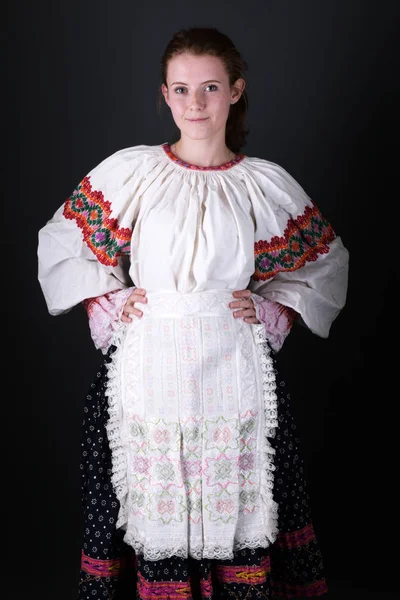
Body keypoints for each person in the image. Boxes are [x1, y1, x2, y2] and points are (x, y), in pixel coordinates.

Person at [37, 26, 349, 600]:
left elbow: (326, 265)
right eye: (181, 90)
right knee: (141, 507)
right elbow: (62, 242)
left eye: (209, 87)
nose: (196, 103)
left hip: (233, 370)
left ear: (235, 91)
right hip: (147, 370)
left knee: (239, 506)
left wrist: (271, 309)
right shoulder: (134, 173)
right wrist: (111, 298)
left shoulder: (263, 185)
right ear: (165, 96)